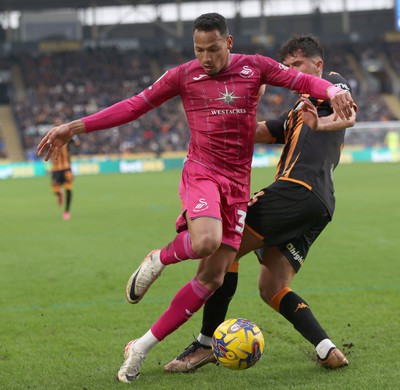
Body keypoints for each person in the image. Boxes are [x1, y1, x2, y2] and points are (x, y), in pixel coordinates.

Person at [36, 14, 355, 383]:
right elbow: (135, 105)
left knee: (215, 278)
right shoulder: (183, 75)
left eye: (213, 49)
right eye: (199, 49)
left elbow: (304, 82)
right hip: (204, 173)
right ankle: (163, 262)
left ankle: (142, 346)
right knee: (208, 244)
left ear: (229, 43)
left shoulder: (262, 70)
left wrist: (331, 92)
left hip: (242, 187)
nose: (205, 57)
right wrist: (74, 127)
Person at [164, 34, 357, 372]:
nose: (293, 72)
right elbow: (257, 131)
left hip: (295, 191)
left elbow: (349, 115)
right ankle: (327, 349)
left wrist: (320, 122)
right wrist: (223, 112)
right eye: (288, 67)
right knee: (272, 287)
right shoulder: (300, 110)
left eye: (298, 65)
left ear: (318, 65)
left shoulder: (331, 84)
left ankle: (206, 343)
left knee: (224, 247)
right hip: (320, 206)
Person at [49, 118, 80, 221]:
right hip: (56, 168)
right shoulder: (50, 136)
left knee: (68, 189)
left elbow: (77, 143)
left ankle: (67, 211)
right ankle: (59, 194)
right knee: (56, 190)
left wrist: (73, 134)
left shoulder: (68, 136)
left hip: (66, 167)